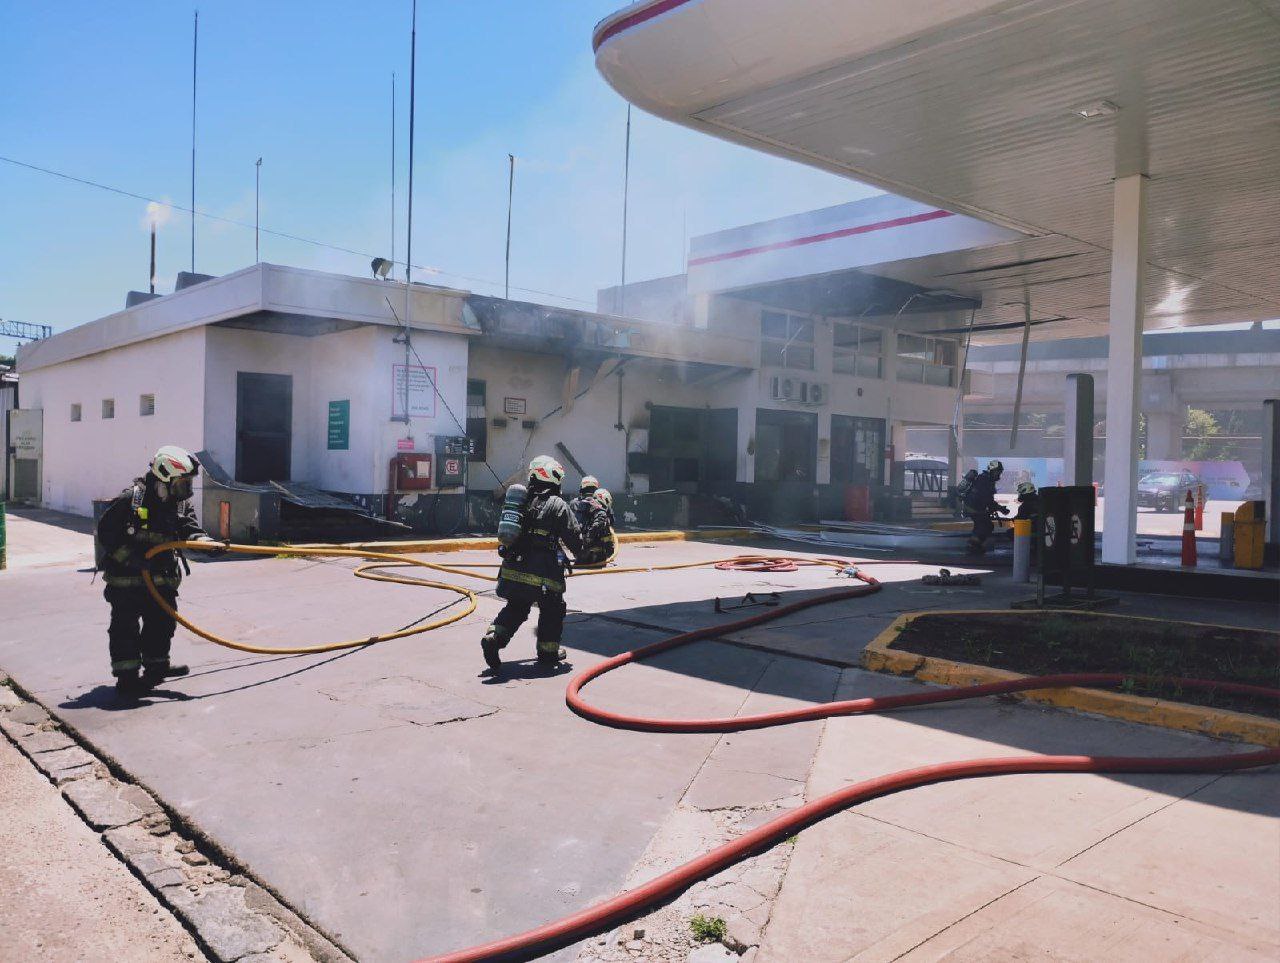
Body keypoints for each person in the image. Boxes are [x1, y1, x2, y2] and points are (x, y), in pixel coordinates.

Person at [95, 446, 224, 697]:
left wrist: (205, 543)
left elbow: (189, 528)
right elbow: (106, 535)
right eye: (182, 483)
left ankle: (157, 667)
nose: (186, 491)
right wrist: (132, 560)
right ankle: (127, 677)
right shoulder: (130, 500)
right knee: (125, 628)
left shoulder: (179, 504)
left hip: (161, 577)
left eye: (188, 484)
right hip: (127, 580)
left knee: (162, 623)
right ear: (164, 476)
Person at [481, 456, 583, 672]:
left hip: (513, 569)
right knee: (552, 609)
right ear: (553, 477)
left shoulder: (520, 499)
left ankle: (494, 636)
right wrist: (587, 553)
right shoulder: (558, 505)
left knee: (516, 607)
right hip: (544, 573)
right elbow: (575, 540)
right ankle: (548, 652)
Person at [963, 459, 1009, 555]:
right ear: (992, 471)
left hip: (975, 507)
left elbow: (988, 500)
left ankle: (974, 545)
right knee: (986, 525)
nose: (999, 475)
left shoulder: (986, 479)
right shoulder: (985, 480)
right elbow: (987, 499)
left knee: (981, 525)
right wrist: (1000, 509)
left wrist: (998, 508)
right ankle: (973, 545)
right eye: (998, 472)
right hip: (974, 508)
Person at [576, 487, 616, 566]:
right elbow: (598, 524)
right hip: (595, 554)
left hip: (581, 552)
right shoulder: (600, 511)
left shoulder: (588, 507)